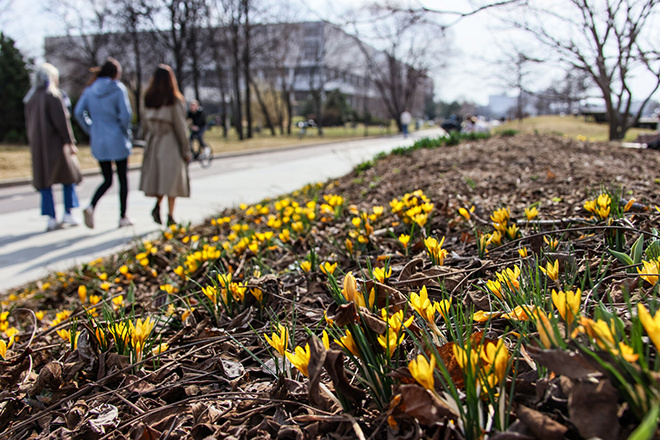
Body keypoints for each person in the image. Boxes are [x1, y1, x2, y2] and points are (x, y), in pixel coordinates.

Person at [74, 57, 133, 229]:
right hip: (117, 139)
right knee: (122, 179)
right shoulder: (118, 88)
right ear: (115, 73)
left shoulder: (90, 90)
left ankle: (91, 206)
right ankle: (123, 216)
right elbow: (126, 115)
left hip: (99, 140)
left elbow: (78, 112)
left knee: (107, 179)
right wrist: (125, 131)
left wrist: (91, 129)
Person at [24, 63, 82, 231]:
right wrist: (70, 142)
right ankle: (69, 212)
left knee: (44, 181)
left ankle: (50, 217)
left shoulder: (30, 98)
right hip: (56, 145)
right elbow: (62, 122)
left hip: (38, 146)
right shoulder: (53, 96)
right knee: (68, 178)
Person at [139, 64, 191, 226]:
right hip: (170, 142)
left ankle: (158, 206)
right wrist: (186, 149)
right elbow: (180, 126)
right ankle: (170, 215)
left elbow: (144, 125)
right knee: (172, 180)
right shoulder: (174, 99)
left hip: (154, 143)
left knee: (159, 179)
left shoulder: (148, 99)